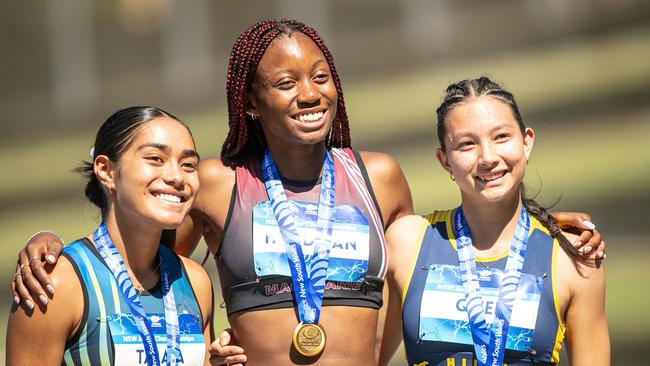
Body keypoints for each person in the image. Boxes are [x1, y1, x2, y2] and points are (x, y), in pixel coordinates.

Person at [10, 20, 603, 366]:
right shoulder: (218, 183)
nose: (309, 93)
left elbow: (450, 247)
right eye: (286, 82)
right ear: (249, 100)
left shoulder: (379, 177)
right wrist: (49, 246)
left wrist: (541, 221)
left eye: (321, 77)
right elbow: (140, 255)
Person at [381, 77, 609, 365]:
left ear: (526, 142)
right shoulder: (407, 242)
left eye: (501, 137)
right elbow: (363, 355)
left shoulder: (574, 258)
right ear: (445, 161)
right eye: (466, 144)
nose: (487, 157)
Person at [6, 106, 214, 365]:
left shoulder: (195, 282)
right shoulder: (55, 284)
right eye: (155, 159)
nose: (176, 176)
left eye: (188, 165)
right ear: (106, 171)